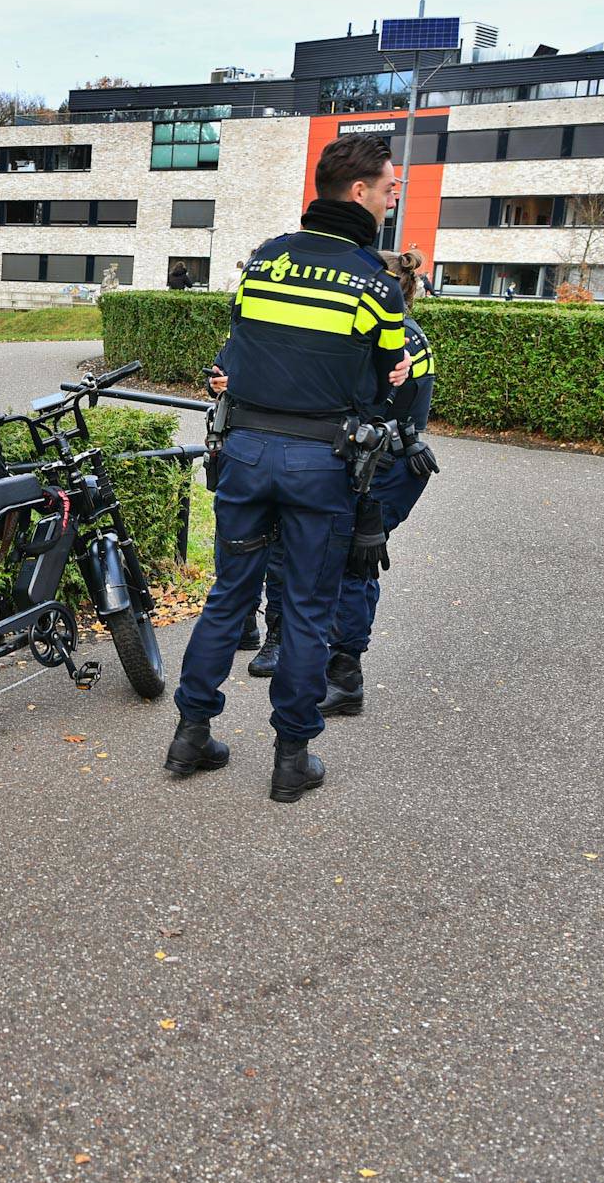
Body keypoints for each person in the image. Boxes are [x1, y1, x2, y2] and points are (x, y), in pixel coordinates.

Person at [164, 133, 410, 802]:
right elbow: (387, 386)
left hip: (244, 455)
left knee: (227, 598)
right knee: (306, 610)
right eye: (390, 187)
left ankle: (189, 736)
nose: (394, 198)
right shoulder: (375, 283)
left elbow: (238, 348)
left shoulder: (266, 261)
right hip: (319, 466)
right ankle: (291, 759)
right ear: (359, 193)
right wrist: (390, 379)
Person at [319, 247, 442, 717]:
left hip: (385, 466)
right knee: (348, 558)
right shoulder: (401, 330)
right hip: (388, 460)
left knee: (355, 559)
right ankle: (333, 664)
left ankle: (345, 677)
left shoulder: (394, 338)